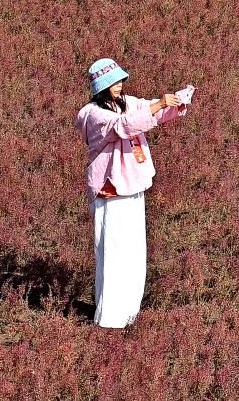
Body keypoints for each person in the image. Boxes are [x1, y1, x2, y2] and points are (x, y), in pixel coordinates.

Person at [74, 57, 194, 329]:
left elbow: (149, 112)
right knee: (114, 252)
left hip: (132, 185)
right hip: (111, 188)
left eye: (119, 81)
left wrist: (176, 102)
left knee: (133, 252)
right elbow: (124, 126)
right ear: (101, 88)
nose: (118, 86)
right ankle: (110, 319)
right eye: (113, 83)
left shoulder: (125, 103)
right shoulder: (94, 114)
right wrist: (160, 103)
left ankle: (128, 314)